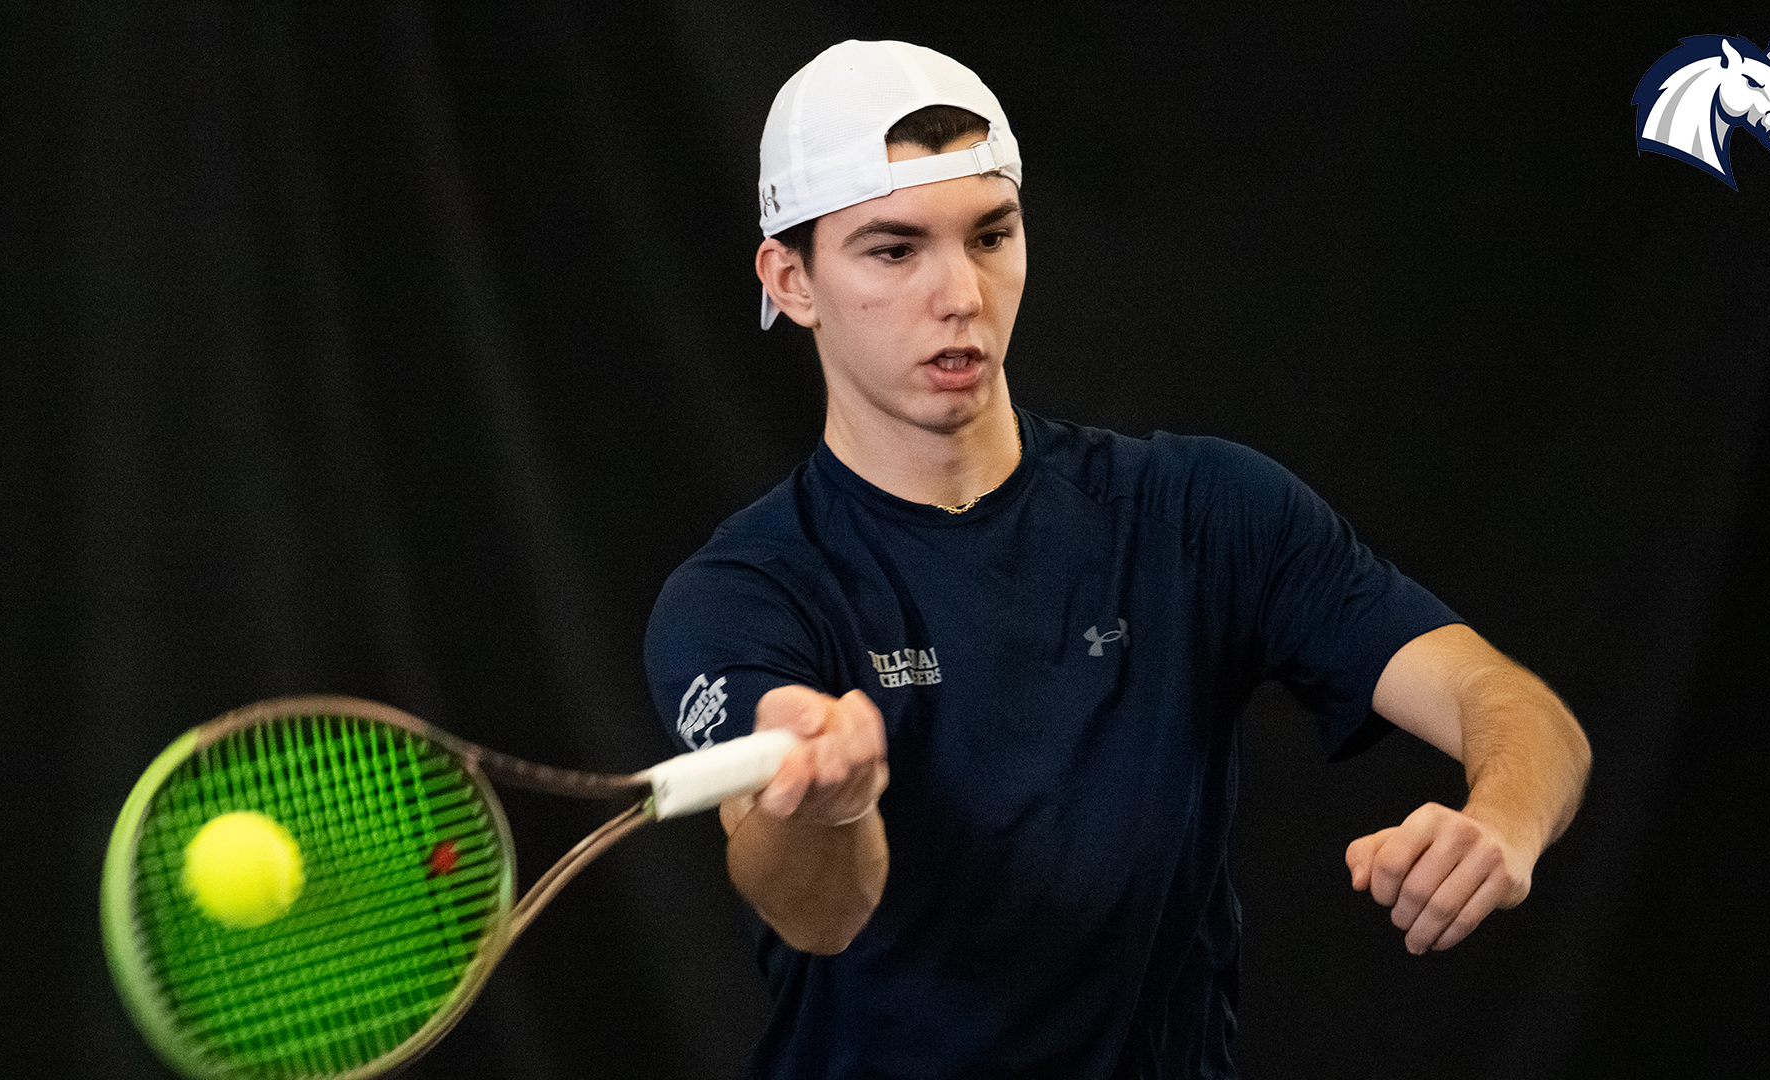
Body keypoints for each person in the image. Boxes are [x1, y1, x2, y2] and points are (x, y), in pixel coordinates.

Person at [644, 39, 1591, 1079]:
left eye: (990, 235)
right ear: (793, 279)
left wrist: (1502, 821)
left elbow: (1504, 702)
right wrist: (830, 805)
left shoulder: (1200, 510)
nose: (959, 292)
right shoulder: (742, 595)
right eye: (893, 249)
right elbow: (814, 912)